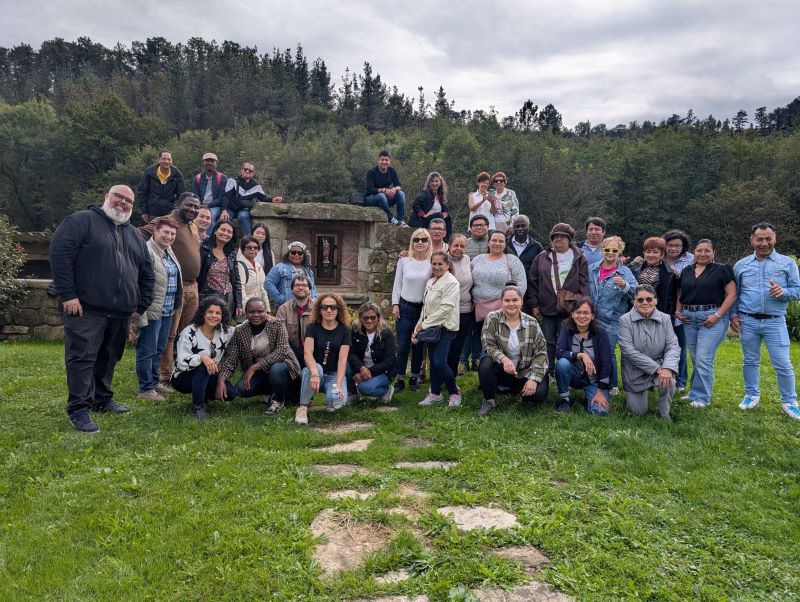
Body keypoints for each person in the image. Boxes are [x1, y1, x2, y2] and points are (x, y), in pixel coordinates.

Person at [50, 185, 155, 433]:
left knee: (108, 358)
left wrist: (140, 304)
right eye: (118, 196)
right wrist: (68, 294)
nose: (122, 202)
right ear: (106, 197)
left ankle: (101, 399)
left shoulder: (134, 236)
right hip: (85, 308)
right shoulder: (81, 221)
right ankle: (79, 409)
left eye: (128, 200)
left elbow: (147, 273)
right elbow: (59, 255)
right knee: (82, 358)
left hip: (121, 312)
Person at [731, 223, 800, 419]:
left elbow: (797, 289)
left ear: (774, 239)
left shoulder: (787, 263)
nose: (764, 243)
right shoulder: (741, 265)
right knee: (750, 360)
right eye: (759, 239)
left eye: (768, 238)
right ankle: (751, 395)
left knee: (783, 363)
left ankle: (789, 401)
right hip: (748, 321)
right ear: (751, 240)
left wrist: (783, 292)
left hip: (775, 321)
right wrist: (734, 315)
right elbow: (735, 294)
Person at [139, 191, 202, 390]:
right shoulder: (165, 221)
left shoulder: (192, 225)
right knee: (169, 335)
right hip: (174, 286)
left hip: (192, 286)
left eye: (196, 207)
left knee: (185, 332)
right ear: (178, 204)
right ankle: (162, 377)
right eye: (189, 205)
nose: (193, 209)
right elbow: (138, 236)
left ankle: (178, 371)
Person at [674, 239, 736, 408]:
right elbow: (681, 293)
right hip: (689, 318)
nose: (702, 254)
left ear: (713, 253)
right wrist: (678, 312)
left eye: (707, 251)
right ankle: (694, 392)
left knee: (703, 358)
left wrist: (717, 315)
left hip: (712, 317)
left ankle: (702, 398)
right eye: (699, 250)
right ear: (694, 252)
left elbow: (732, 295)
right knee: (695, 357)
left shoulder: (722, 270)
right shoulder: (686, 271)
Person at [216, 298, 300, 415]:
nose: (256, 315)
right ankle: (271, 391)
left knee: (277, 370)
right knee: (242, 389)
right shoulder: (240, 331)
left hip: (282, 366)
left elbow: (282, 351)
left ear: (266, 311)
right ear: (246, 313)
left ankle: (278, 400)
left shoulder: (277, 324)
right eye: (252, 312)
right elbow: (231, 358)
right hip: (261, 372)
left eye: (260, 311)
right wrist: (221, 380)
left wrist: (254, 367)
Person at [525, 222, 590, 374]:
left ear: (569, 239)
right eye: (555, 237)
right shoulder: (542, 257)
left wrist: (584, 305)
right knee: (547, 342)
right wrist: (534, 304)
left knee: (568, 342)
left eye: (562, 237)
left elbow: (584, 283)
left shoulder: (579, 257)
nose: (558, 240)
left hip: (570, 308)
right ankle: (549, 372)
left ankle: (566, 372)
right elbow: (533, 282)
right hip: (546, 307)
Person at [477, 286, 549, 416]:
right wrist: (503, 359)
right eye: (507, 300)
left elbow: (541, 353)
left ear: (521, 301)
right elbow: (488, 344)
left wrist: (533, 379)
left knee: (539, 394)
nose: (511, 304)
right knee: (485, 363)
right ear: (501, 301)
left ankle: (524, 393)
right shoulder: (493, 318)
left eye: (515, 300)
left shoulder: (532, 322)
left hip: (525, 370)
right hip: (503, 370)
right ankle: (489, 400)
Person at [135, 216, 183, 402]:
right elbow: (138, 282)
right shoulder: (146, 251)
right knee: (147, 349)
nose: (169, 236)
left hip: (168, 309)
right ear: (156, 232)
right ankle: (145, 388)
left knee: (159, 348)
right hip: (151, 309)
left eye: (172, 234)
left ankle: (154, 382)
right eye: (166, 232)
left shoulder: (168, 251)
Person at [617, 284, 680, 420]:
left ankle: (664, 413)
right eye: (640, 300)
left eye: (649, 299)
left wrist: (668, 368)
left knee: (669, 381)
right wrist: (657, 369)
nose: (645, 303)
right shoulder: (625, 320)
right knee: (637, 413)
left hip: (661, 367)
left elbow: (673, 346)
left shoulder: (665, 319)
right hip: (635, 372)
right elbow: (628, 351)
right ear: (634, 302)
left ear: (655, 301)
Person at [171, 296, 235, 419]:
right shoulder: (189, 332)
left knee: (230, 394)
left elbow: (242, 328)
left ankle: (204, 397)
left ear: (222, 316)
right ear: (203, 313)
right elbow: (182, 362)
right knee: (203, 365)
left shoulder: (224, 332)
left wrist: (266, 317)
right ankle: (198, 406)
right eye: (210, 312)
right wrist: (201, 357)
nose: (214, 316)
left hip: (210, 373)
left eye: (218, 313)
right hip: (183, 377)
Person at [588, 236, 637, 393]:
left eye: (614, 250)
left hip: (612, 320)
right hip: (591, 318)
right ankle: (594, 381)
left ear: (619, 252)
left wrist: (624, 285)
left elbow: (636, 293)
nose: (610, 253)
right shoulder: (592, 269)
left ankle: (613, 385)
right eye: (607, 249)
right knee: (592, 351)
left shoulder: (625, 272)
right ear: (602, 250)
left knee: (608, 353)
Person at [415, 251, 462, 407]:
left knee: (439, 363)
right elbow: (426, 307)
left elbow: (445, 310)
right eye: (434, 264)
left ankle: (454, 392)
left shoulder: (452, 283)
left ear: (447, 265)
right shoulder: (431, 281)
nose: (436, 267)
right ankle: (435, 393)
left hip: (445, 328)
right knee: (433, 363)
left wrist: (425, 324)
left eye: (440, 264)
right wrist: (418, 325)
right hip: (431, 328)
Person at [296, 294, 352, 425]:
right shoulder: (312, 327)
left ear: (339, 310)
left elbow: (342, 360)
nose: (329, 310)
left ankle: (330, 398)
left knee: (336, 403)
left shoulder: (345, 330)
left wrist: (338, 385)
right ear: (319, 310)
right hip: (315, 373)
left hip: (333, 375)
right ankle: (303, 407)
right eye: (325, 307)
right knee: (316, 367)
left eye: (333, 307)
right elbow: (307, 353)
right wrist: (315, 373)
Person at [471, 230, 527, 358]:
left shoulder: (512, 260)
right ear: (489, 242)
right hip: (479, 308)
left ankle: (488, 362)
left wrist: (513, 305)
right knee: (478, 338)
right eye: (494, 240)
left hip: (503, 310)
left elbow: (521, 284)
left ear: (505, 244)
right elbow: (469, 280)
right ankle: (476, 363)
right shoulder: (477, 260)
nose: (497, 243)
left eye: (501, 241)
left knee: (495, 341)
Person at [555, 298, 613, 415]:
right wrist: (581, 355)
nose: (582, 316)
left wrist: (601, 390)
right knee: (562, 363)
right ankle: (565, 400)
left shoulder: (600, 332)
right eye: (578, 312)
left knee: (599, 412)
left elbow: (606, 363)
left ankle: (589, 397)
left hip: (594, 379)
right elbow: (559, 352)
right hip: (574, 375)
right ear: (572, 314)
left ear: (592, 316)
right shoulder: (566, 328)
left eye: (586, 313)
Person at [392, 228, 432, 391]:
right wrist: (395, 304)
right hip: (405, 307)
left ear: (429, 242)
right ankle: (400, 378)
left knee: (418, 345)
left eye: (423, 239)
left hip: (422, 310)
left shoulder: (432, 262)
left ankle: (414, 378)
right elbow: (397, 284)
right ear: (412, 242)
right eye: (416, 239)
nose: (420, 242)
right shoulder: (404, 261)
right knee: (402, 346)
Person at [347, 302, 397, 403]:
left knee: (365, 388)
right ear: (360, 318)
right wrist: (360, 368)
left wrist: (367, 372)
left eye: (373, 317)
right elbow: (351, 353)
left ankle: (386, 390)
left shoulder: (386, 333)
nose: (369, 321)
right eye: (365, 318)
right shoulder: (355, 330)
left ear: (378, 317)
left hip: (383, 371)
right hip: (362, 367)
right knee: (344, 364)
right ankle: (353, 393)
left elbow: (389, 361)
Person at [663, 229, 694, 389]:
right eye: (670, 245)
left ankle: (681, 382)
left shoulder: (690, 260)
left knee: (679, 346)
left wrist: (679, 276)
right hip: (662, 307)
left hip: (681, 309)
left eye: (677, 245)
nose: (673, 249)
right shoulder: (659, 258)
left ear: (683, 247)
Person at [220, 162, 282, 236]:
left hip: (244, 209)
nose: (247, 171)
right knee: (223, 220)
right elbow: (226, 196)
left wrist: (273, 199)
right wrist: (224, 210)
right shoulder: (232, 181)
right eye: (245, 169)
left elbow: (263, 197)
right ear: (241, 170)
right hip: (231, 208)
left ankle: (248, 241)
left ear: (253, 173)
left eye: (250, 171)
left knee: (243, 216)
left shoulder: (256, 186)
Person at [198, 220, 243, 318]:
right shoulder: (204, 250)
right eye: (223, 230)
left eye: (229, 232)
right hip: (208, 298)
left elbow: (236, 280)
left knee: (224, 330)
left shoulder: (231, 253)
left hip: (228, 299)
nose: (226, 233)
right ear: (215, 231)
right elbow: (198, 276)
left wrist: (239, 304)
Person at [446, 234, 474, 377]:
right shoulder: (442, 260)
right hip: (447, 311)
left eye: (462, 246)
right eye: (456, 245)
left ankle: (452, 376)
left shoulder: (467, 260)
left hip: (465, 311)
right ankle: (441, 376)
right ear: (449, 246)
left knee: (458, 346)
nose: (459, 248)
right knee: (446, 346)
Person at [137, 150, 186, 222]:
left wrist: (176, 210)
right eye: (164, 159)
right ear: (159, 160)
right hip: (151, 213)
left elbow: (182, 194)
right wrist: (144, 211)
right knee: (150, 232)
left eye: (169, 159)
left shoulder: (177, 174)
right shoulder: (149, 173)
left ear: (172, 161)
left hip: (169, 213)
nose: (166, 161)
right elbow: (142, 192)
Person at [266, 241, 318, 308]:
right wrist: (281, 299)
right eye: (293, 253)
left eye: (300, 253)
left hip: (307, 308)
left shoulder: (308, 271)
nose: (296, 255)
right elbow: (268, 283)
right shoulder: (279, 268)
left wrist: (314, 300)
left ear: (303, 255)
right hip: (287, 308)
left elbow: (313, 288)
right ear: (288, 254)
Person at [364, 150, 407, 226]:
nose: (384, 162)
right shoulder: (371, 172)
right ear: (378, 161)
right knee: (381, 195)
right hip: (370, 198)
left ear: (390, 161)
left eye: (386, 160)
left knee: (401, 194)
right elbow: (370, 189)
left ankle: (400, 220)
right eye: (382, 160)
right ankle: (391, 218)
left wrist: (394, 189)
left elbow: (399, 185)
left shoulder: (392, 171)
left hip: (384, 200)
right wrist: (384, 190)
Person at [191, 152, 228, 232]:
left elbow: (221, 198)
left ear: (216, 163)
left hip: (215, 206)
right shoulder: (198, 178)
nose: (210, 163)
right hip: (200, 205)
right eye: (207, 161)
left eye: (212, 161)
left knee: (210, 216)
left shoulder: (222, 178)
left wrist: (208, 205)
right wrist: (200, 205)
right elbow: (195, 195)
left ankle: (208, 240)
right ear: (204, 162)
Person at [410, 172, 452, 240]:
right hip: (423, 221)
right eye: (432, 181)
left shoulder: (440, 196)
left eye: (436, 181)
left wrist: (445, 214)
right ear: (429, 183)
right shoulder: (425, 194)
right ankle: (443, 239)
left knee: (448, 217)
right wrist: (423, 215)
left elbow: (445, 210)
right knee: (439, 215)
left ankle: (449, 240)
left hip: (435, 220)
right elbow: (415, 204)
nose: (434, 183)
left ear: (440, 183)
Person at [237, 236, 270, 313]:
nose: (253, 249)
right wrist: (247, 309)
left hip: (259, 308)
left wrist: (267, 309)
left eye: (255, 248)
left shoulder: (258, 265)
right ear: (243, 249)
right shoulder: (239, 265)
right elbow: (240, 289)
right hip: (247, 310)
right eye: (249, 247)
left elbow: (263, 288)